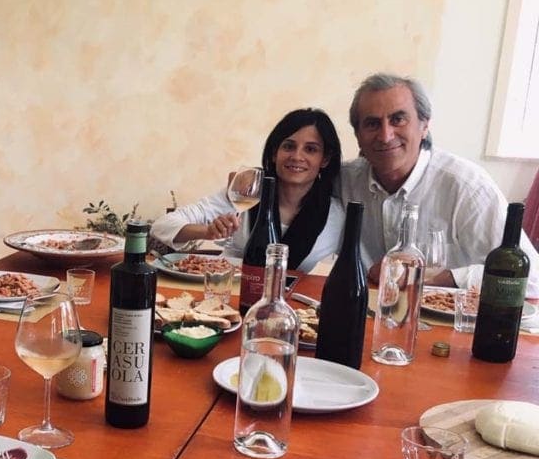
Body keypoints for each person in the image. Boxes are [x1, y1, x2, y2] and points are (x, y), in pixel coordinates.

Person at [338, 72, 539, 296]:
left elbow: (532, 278)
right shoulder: (345, 180)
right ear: (358, 135)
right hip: (366, 310)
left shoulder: (467, 187)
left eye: (398, 119)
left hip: (449, 314)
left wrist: (438, 278)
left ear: (424, 126)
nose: (385, 135)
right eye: (372, 124)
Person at [151, 108, 345, 273]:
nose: (297, 156)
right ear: (274, 153)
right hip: (229, 295)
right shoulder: (245, 193)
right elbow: (161, 226)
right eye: (288, 146)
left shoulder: (336, 216)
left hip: (290, 303)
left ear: (325, 159)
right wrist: (207, 231)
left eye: (310, 149)